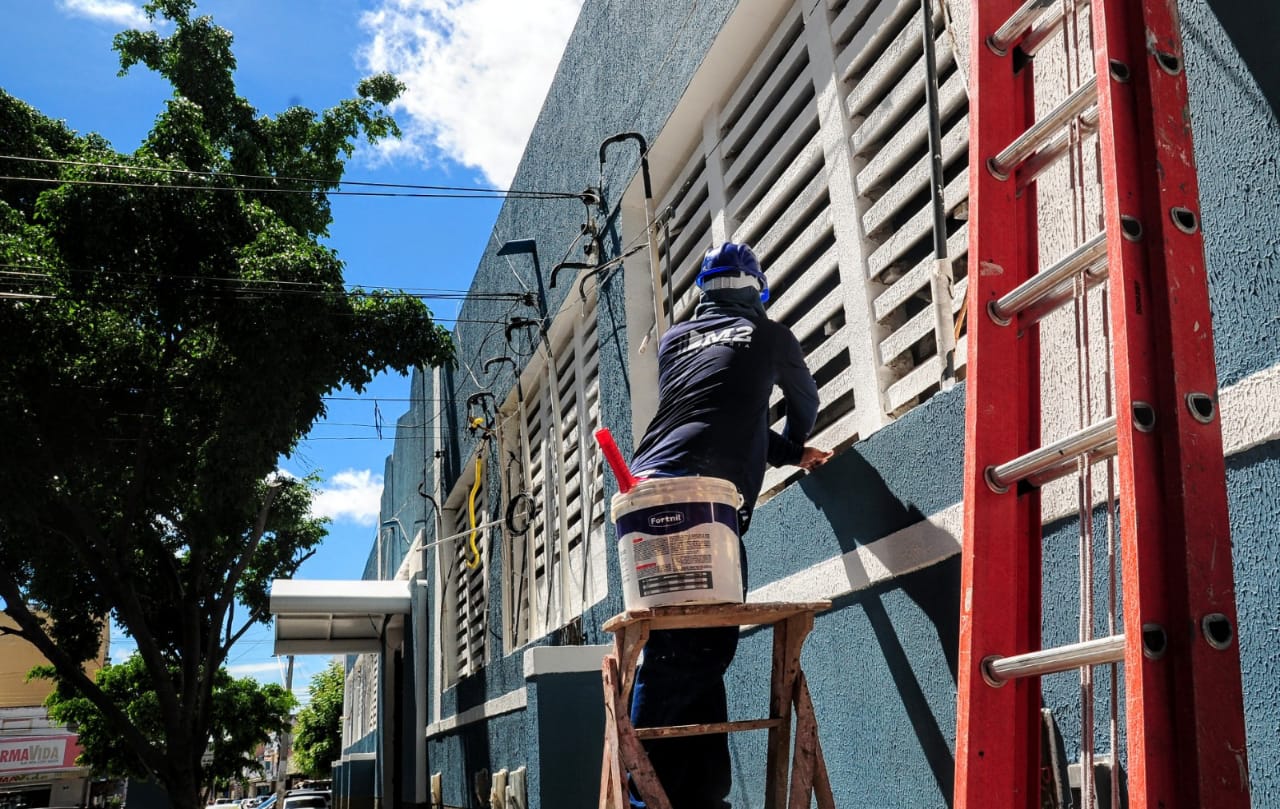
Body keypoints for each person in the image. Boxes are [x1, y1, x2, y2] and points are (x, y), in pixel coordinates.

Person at [627, 242, 832, 809]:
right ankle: (648, 798)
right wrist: (797, 442)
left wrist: (789, 455)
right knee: (695, 648)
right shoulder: (769, 335)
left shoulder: (674, 342)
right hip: (703, 506)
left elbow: (714, 417)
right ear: (755, 293)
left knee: (679, 646)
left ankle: (697, 795)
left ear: (702, 296)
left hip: (643, 499)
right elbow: (802, 400)